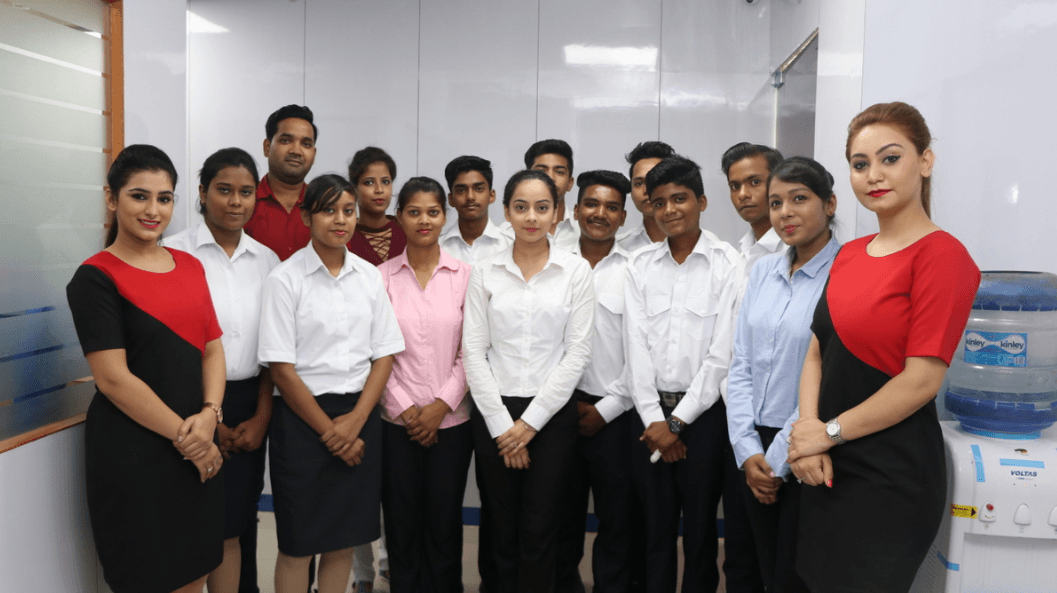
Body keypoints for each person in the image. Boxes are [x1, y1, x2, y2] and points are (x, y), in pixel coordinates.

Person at [787, 102, 980, 593]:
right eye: (860, 164)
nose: (873, 175)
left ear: (925, 161)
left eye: (890, 158)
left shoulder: (944, 256)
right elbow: (817, 351)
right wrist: (807, 432)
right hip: (826, 464)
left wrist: (827, 432)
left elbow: (922, 381)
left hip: (891, 474)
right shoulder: (849, 254)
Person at [66, 144, 225, 593]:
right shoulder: (95, 277)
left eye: (164, 198)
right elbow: (113, 380)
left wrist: (210, 415)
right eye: (139, 196)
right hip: (135, 454)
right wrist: (191, 440)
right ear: (111, 198)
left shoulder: (190, 266)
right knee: (147, 577)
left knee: (196, 570)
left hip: (196, 440)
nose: (153, 210)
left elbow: (213, 350)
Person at [259, 174, 405, 593]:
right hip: (302, 422)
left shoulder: (369, 276)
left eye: (348, 210)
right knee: (298, 545)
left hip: (359, 417)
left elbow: (384, 354)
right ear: (307, 217)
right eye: (328, 210)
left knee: (343, 541)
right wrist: (331, 431)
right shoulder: (285, 279)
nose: (340, 220)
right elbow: (282, 370)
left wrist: (356, 421)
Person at [463, 169, 595, 593]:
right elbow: (473, 351)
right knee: (499, 524)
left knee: (542, 525)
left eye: (542, 207)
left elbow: (577, 353)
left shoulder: (575, 271)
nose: (532, 217)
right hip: (494, 413)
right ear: (506, 212)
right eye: (521, 207)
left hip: (551, 417)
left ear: (557, 213)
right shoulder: (485, 271)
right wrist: (504, 426)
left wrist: (530, 424)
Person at [164, 148, 281, 593]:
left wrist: (262, 415)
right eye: (224, 190)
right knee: (192, 522)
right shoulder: (173, 253)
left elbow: (273, 348)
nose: (236, 202)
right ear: (202, 192)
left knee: (235, 523)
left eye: (246, 192)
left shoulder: (268, 261)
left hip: (250, 401)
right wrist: (210, 418)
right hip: (186, 404)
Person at [624, 155, 740, 593]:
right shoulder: (639, 265)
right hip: (649, 417)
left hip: (704, 420)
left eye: (680, 199)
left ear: (701, 202)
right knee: (653, 530)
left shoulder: (728, 263)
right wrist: (657, 420)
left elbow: (722, 355)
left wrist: (677, 423)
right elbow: (635, 350)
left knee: (700, 532)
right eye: (659, 202)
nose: (669, 210)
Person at [726, 156, 841, 593]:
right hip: (752, 445)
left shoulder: (846, 273)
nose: (785, 213)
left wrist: (774, 464)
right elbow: (741, 362)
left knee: (792, 576)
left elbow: (831, 376)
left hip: (808, 444)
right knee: (748, 568)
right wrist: (746, 449)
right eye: (776, 203)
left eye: (799, 199)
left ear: (829, 203)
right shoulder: (763, 271)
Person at [378, 176, 474, 593]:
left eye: (433, 212)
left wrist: (440, 406)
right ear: (399, 217)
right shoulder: (380, 278)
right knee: (400, 524)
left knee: (444, 523)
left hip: (451, 423)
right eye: (414, 212)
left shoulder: (466, 276)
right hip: (395, 423)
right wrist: (404, 407)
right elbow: (375, 352)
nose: (424, 220)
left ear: (444, 216)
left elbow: (473, 350)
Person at [555, 170, 636, 593]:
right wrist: (561, 403)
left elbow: (642, 352)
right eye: (591, 203)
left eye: (611, 207)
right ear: (575, 210)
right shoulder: (553, 264)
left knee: (617, 520)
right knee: (559, 518)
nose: (599, 213)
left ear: (623, 217)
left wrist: (607, 409)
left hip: (615, 414)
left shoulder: (636, 270)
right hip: (556, 410)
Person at [244, 104, 318, 262]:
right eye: (286, 140)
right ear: (267, 147)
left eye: (306, 144)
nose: (296, 151)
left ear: (314, 154)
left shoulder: (323, 206)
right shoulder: (243, 203)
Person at [721, 142, 786, 284]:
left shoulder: (793, 251)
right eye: (735, 186)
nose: (742, 194)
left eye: (755, 182)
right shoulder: (742, 253)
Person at [499, 140, 579, 250]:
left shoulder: (582, 230)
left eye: (559, 172)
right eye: (541, 171)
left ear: (570, 183)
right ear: (527, 177)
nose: (551, 178)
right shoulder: (504, 234)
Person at [440, 155, 511, 264]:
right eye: (461, 190)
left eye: (479, 189)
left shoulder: (511, 245)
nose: (470, 197)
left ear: (491, 196)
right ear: (451, 199)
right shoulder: (437, 247)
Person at [347, 146, 406, 266]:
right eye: (369, 182)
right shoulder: (346, 234)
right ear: (354, 189)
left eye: (385, 182)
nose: (379, 190)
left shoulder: (406, 229)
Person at [619, 140, 675, 253]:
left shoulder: (705, 244)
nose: (647, 190)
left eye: (655, 180)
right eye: (639, 183)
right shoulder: (619, 247)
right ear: (631, 191)